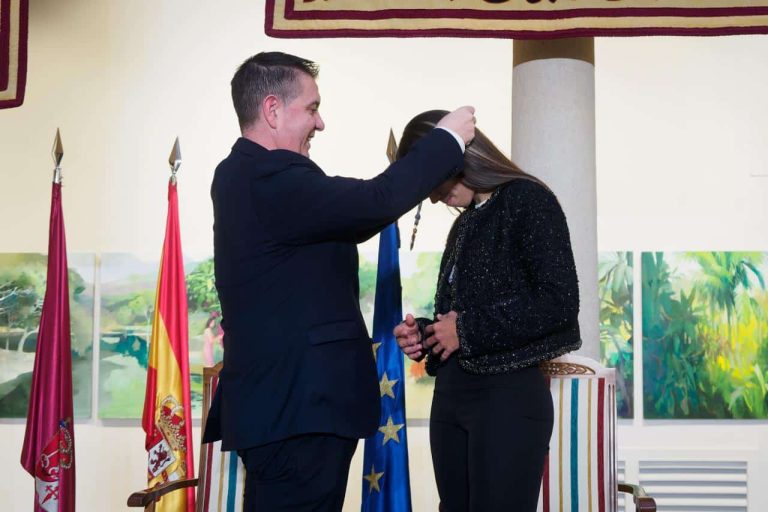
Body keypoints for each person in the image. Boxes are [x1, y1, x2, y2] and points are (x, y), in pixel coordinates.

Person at [203, 53, 476, 512]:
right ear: (272, 110)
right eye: (311, 108)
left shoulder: (252, 176)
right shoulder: (264, 176)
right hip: (297, 412)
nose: (320, 123)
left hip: (294, 413)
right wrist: (446, 138)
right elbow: (374, 202)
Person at [394, 110, 581, 512]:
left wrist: (465, 330)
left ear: (457, 156)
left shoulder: (528, 200)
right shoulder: (462, 225)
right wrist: (427, 334)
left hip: (507, 400)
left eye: (432, 181)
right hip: (451, 398)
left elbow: (559, 303)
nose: (432, 197)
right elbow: (460, 316)